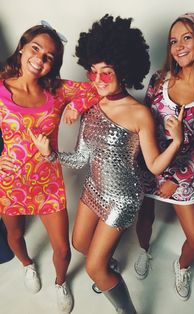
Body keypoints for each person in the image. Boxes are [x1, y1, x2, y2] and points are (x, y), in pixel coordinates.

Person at [30, 14, 184, 314]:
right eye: (93, 73)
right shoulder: (91, 106)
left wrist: (176, 141)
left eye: (106, 73)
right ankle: (107, 265)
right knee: (78, 243)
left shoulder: (139, 113)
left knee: (94, 269)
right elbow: (81, 159)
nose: (97, 81)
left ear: (123, 71)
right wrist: (51, 153)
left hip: (121, 199)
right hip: (93, 189)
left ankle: (126, 308)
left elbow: (153, 166)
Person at [0, 22, 99, 314]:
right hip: (9, 180)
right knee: (15, 235)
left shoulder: (56, 90)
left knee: (63, 248)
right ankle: (28, 265)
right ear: (21, 47)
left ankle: (60, 282)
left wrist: (76, 106)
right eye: (36, 48)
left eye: (49, 57)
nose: (40, 59)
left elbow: (97, 89)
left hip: (48, 183)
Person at [134, 12, 194, 301]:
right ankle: (144, 251)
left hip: (184, 173)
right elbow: (144, 127)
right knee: (144, 220)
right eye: (173, 40)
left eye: (186, 37)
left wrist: (176, 179)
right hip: (151, 166)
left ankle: (181, 265)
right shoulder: (159, 80)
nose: (178, 46)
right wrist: (148, 167)